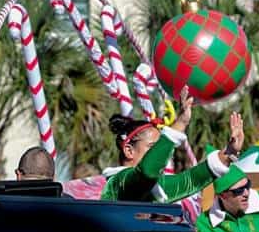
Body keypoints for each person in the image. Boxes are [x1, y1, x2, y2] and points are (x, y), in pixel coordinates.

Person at [101, 86, 243, 203]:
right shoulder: (118, 183)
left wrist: (228, 153)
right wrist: (179, 124)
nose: (162, 154)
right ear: (129, 151)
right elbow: (147, 171)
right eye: (153, 147)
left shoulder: (157, 188)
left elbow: (192, 179)